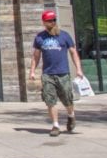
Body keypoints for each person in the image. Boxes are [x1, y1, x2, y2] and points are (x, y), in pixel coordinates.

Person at [28, 9, 84, 137]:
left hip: (63, 73)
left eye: (54, 20)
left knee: (67, 98)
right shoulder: (40, 37)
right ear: (44, 22)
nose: (52, 22)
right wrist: (32, 71)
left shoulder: (64, 36)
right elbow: (36, 56)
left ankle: (71, 115)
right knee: (50, 100)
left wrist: (79, 69)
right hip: (47, 74)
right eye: (49, 20)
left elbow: (73, 52)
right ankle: (55, 125)